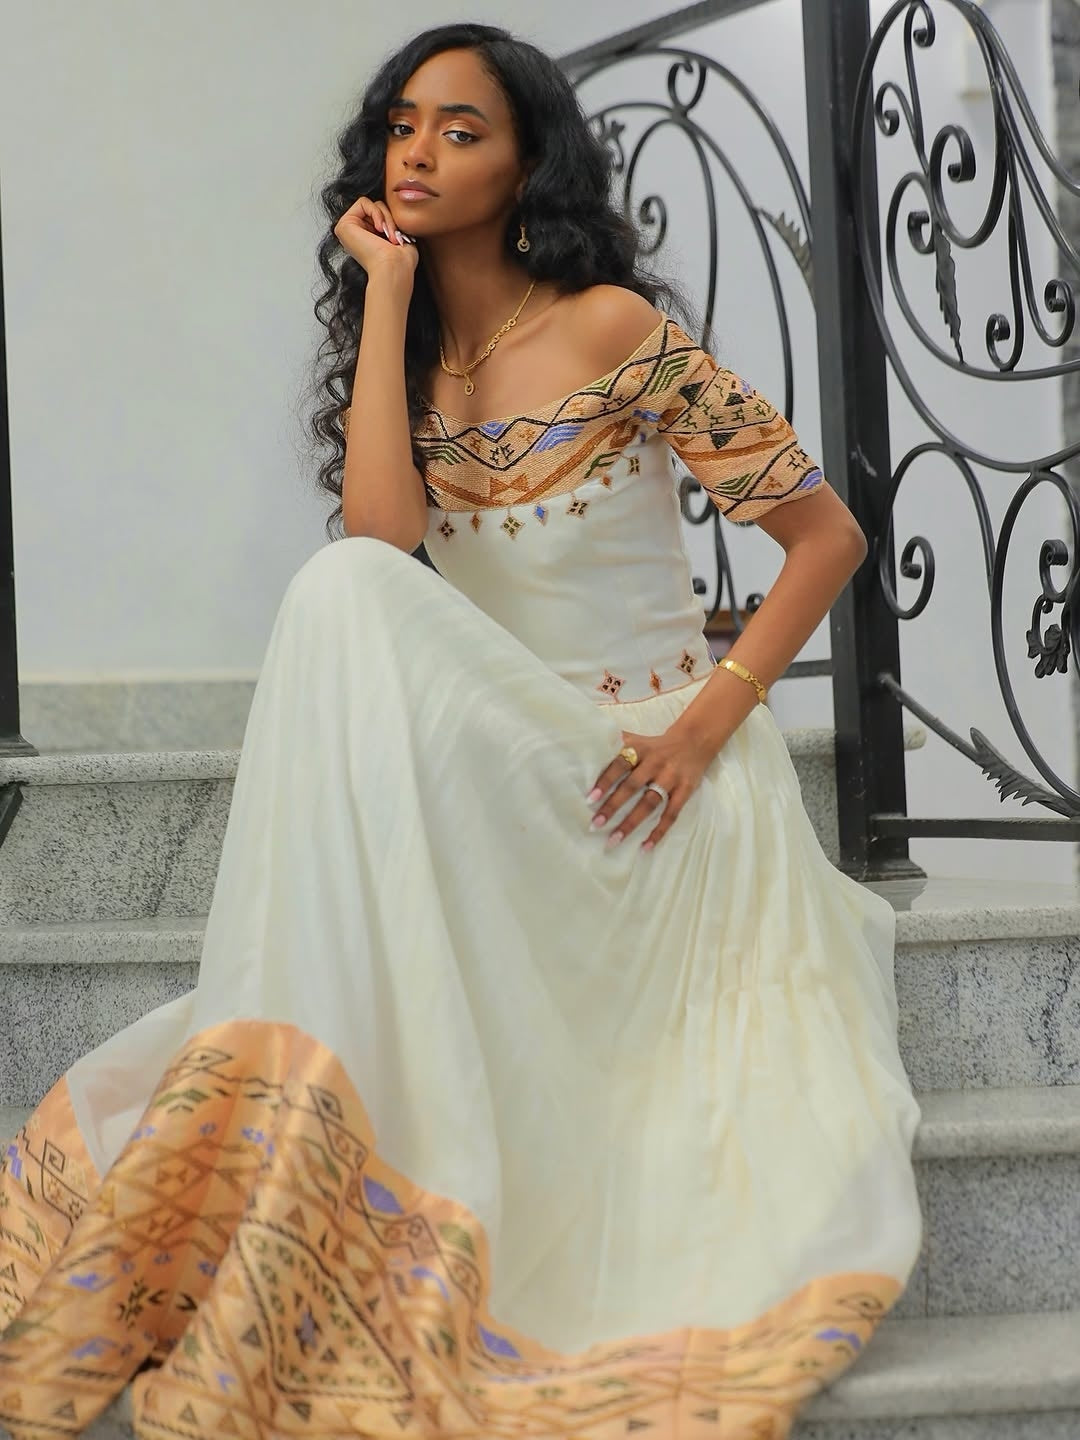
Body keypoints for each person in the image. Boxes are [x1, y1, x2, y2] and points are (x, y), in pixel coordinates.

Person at [0, 21, 922, 1440]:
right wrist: (386, 297)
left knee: (347, 599)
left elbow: (828, 536)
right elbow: (382, 540)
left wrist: (702, 732)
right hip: (519, 762)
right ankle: (299, 1128)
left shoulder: (614, 326)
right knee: (344, 591)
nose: (419, 152)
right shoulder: (415, 349)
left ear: (530, 160)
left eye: (462, 130)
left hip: (645, 774)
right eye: (403, 126)